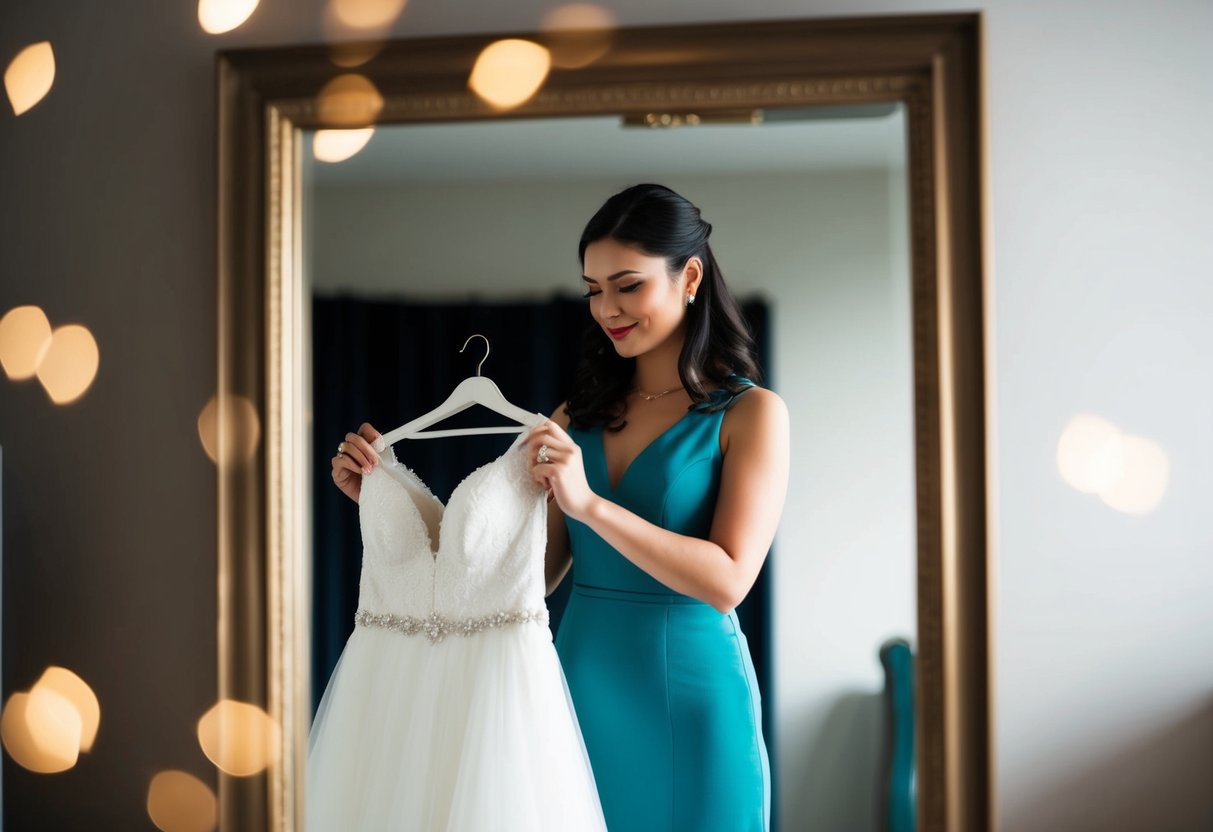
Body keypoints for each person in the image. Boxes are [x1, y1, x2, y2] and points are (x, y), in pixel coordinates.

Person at [522, 183, 789, 832]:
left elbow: (728, 579)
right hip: (582, 681)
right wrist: (393, 505)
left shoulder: (750, 413)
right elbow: (529, 576)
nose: (606, 308)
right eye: (592, 290)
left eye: (626, 285)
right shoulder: (572, 417)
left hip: (692, 693)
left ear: (688, 275)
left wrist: (590, 506)